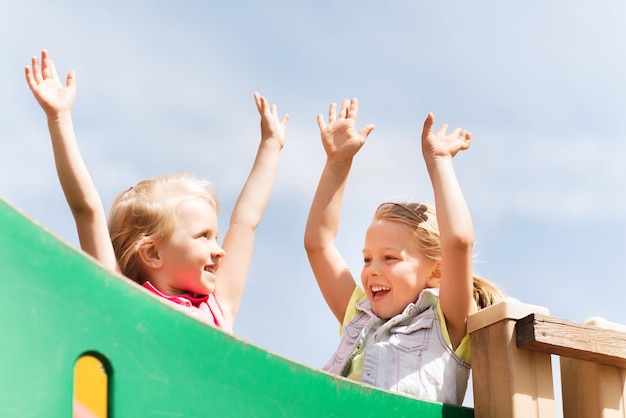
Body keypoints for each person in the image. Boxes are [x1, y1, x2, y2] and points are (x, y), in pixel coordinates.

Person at [25, 50, 288, 334]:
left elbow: (245, 222)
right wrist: (59, 118)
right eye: (203, 236)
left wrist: (271, 146)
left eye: (216, 237)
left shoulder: (219, 306)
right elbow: (86, 210)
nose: (220, 251)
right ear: (152, 254)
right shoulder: (126, 299)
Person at [304, 98, 503, 405]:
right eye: (367, 258)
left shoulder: (447, 322)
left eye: (390, 258)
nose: (371, 269)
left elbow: (459, 243)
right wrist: (337, 163)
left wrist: (439, 162)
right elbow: (318, 244)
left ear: (436, 271)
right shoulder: (359, 315)